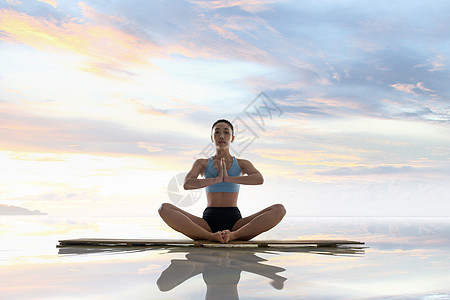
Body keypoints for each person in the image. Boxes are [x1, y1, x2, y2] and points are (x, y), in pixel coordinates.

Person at [159, 119, 286, 243]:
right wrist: (216, 179)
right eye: (217, 132)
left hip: (236, 222)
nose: (221, 136)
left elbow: (259, 179)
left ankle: (234, 235)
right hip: (207, 223)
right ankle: (210, 236)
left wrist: (228, 179)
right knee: (164, 208)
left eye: (226, 132)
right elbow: (187, 184)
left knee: (279, 209)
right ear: (212, 137)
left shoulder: (242, 163)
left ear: (232, 138)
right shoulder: (202, 163)